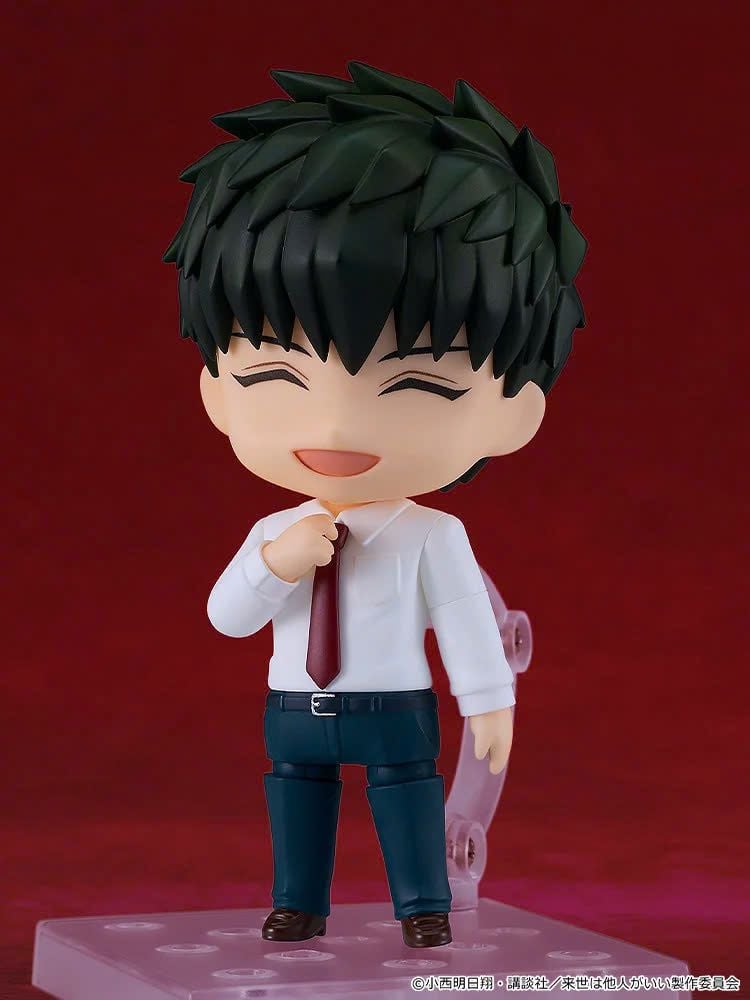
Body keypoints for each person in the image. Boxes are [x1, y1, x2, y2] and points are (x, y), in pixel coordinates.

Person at [163, 61, 587, 948]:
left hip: (397, 702)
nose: (335, 424)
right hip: (295, 707)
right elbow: (227, 616)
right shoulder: (276, 530)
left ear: (512, 413)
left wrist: (488, 700)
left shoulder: (435, 532)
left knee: (407, 795)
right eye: (274, 374)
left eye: (417, 384)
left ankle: (422, 903)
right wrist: (274, 566)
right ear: (217, 393)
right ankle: (298, 903)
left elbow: (464, 619)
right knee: (296, 798)